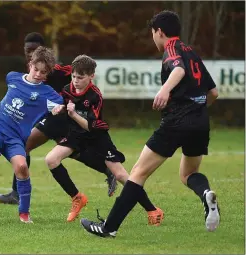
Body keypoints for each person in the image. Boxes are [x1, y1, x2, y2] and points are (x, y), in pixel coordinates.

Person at [80, 10, 220, 238]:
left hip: (176, 120)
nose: (153, 38)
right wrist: (198, 112)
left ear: (159, 32)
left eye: (153, 33)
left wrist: (164, 90)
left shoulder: (172, 49)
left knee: (138, 173)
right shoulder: (191, 52)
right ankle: (206, 194)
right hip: (200, 121)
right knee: (189, 174)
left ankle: (109, 228)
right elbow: (213, 92)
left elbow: (179, 69)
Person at [0, 33, 117, 205]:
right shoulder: (32, 70)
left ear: (43, 51)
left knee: (25, 145)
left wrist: (83, 97)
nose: (30, 53)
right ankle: (106, 169)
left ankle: (17, 193)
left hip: (59, 115)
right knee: (70, 151)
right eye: (27, 50)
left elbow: (78, 73)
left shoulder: (56, 70)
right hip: (51, 116)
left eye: (34, 50)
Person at [0, 46, 63, 224]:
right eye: (35, 69)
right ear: (29, 64)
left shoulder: (49, 95)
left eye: (43, 72)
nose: (38, 74)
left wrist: (57, 110)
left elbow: (58, 107)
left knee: (22, 167)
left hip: (16, 137)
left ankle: (24, 214)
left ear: (48, 73)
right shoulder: (13, 77)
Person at [45, 54, 130, 222]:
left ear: (91, 76)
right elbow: (64, 104)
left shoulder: (95, 96)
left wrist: (73, 113)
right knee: (51, 159)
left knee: (120, 175)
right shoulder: (67, 89)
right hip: (76, 136)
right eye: (74, 76)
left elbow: (91, 126)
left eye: (80, 77)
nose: (75, 80)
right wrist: (59, 108)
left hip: (96, 137)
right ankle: (77, 197)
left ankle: (151, 208)